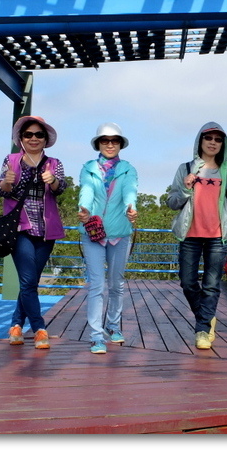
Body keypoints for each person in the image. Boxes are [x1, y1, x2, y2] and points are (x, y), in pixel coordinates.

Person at [167, 122, 227, 350]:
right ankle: (206, 318)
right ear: (200, 140)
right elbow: (172, 202)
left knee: (211, 285)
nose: (213, 143)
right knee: (188, 282)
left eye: (218, 139)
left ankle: (201, 330)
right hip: (189, 234)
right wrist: (186, 187)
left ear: (223, 144)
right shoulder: (186, 168)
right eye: (208, 138)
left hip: (217, 237)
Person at [0, 115, 68, 349]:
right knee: (28, 281)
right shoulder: (11, 160)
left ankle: (16, 325)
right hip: (20, 228)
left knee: (30, 282)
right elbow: (2, 191)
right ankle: (39, 328)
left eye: (39, 134)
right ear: (21, 138)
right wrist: (7, 182)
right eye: (29, 134)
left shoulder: (54, 163)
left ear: (45, 139)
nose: (34, 138)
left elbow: (61, 189)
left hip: (47, 230)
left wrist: (53, 181)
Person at [77, 122, 139, 354]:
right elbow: (87, 190)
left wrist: (131, 209)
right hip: (93, 233)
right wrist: (83, 208)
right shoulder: (88, 167)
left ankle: (113, 326)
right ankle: (96, 336)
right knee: (96, 285)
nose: (110, 144)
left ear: (120, 144)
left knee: (116, 285)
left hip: (120, 234)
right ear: (98, 144)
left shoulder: (128, 169)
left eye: (114, 141)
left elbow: (130, 192)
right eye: (105, 140)